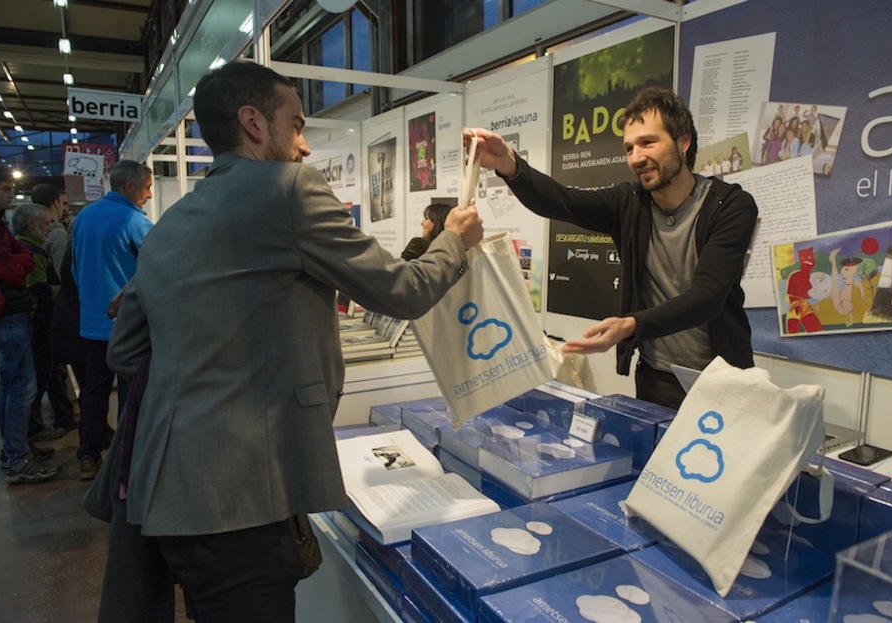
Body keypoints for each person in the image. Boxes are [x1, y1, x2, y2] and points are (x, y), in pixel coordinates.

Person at [105, 60, 483, 620]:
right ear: (254, 122)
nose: (305, 147)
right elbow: (403, 291)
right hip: (241, 496)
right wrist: (453, 240)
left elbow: (127, 350)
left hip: (165, 491)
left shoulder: (171, 222)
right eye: (297, 124)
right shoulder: (291, 190)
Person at [465, 86, 758, 409]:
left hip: (723, 381)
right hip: (656, 380)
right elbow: (562, 201)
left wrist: (632, 325)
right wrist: (508, 164)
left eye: (648, 142)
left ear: (683, 142)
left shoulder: (730, 206)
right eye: (629, 148)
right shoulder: (629, 203)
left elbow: (708, 296)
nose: (636, 157)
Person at [71, 160, 154, 480]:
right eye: (147, 187)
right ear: (130, 186)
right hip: (130, 328)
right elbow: (159, 267)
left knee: (94, 391)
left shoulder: (83, 218)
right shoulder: (134, 221)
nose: (149, 194)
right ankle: (125, 460)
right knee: (132, 394)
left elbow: (75, 271)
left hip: (92, 323)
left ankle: (88, 457)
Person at [0, 164, 59, 483]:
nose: (11, 193)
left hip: (12, 310)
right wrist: (11, 265)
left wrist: (12, 264)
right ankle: (17, 457)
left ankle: (15, 451)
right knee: (21, 386)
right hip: (8, 312)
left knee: (13, 385)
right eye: (5, 189)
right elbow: (10, 267)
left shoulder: (0, 225)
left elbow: (20, 259)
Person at [13, 203, 75, 441]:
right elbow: (38, 287)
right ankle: (33, 427)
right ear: (32, 224)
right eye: (47, 223)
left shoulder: (27, 247)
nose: (51, 227)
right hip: (41, 318)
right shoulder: (32, 251)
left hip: (37, 318)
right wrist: (65, 292)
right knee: (41, 373)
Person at [29, 184, 77, 432]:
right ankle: (62, 415)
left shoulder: (44, 236)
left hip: (44, 312)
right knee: (51, 367)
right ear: (55, 203)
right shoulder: (57, 235)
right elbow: (61, 277)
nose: (65, 210)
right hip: (52, 311)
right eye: (64, 204)